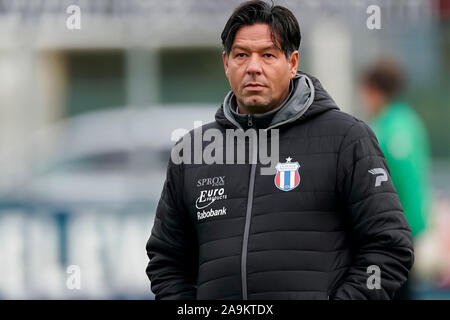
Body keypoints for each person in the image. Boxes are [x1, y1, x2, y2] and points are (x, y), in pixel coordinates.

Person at [146, 0, 414, 300]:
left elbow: (388, 247)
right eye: (241, 55)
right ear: (226, 63)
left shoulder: (346, 138)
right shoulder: (193, 150)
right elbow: (166, 261)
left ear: (293, 62)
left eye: (268, 55)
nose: (253, 68)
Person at [360, 58, 432, 299]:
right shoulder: (409, 121)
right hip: (409, 228)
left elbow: (398, 183)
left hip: (393, 232)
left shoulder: (386, 131)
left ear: (374, 90)